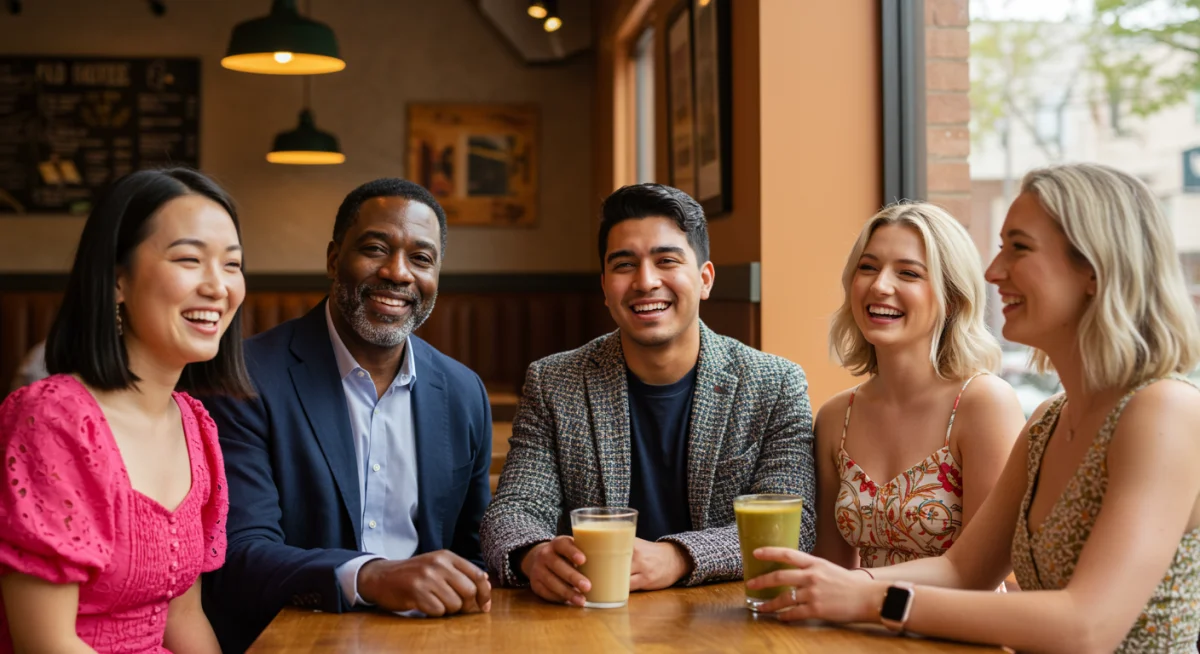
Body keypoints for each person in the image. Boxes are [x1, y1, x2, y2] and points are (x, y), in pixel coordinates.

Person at [746, 163, 1200, 653]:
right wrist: (841, 585)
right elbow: (963, 568)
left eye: (1018, 247)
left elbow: (1085, 628)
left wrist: (872, 599)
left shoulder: (1164, 410)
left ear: (1094, 269)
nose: (991, 271)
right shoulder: (1048, 423)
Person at [480, 183, 816, 604]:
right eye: (624, 265)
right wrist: (534, 556)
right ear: (605, 287)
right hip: (591, 616)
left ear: (704, 279)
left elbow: (796, 527)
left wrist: (678, 558)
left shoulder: (775, 384)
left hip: (725, 620)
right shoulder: (554, 382)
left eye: (667, 260)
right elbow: (513, 510)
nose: (645, 281)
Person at [201, 179, 492, 654]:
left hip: (432, 639)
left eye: (421, 258)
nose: (398, 273)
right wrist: (371, 577)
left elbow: (473, 549)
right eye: (376, 248)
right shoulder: (244, 378)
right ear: (335, 259)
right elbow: (239, 553)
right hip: (296, 638)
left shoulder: (462, 392)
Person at [0, 168, 252, 653]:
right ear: (117, 280)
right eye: (189, 259)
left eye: (232, 265)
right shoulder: (50, 420)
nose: (218, 287)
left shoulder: (194, 424)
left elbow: (184, 618)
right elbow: (45, 642)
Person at [815, 203, 1025, 573]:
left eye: (908, 273)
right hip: (856, 624)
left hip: (959, 626)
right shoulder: (836, 418)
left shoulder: (983, 403)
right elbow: (831, 569)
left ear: (953, 298)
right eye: (868, 267)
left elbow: (985, 574)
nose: (879, 285)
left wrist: (864, 594)